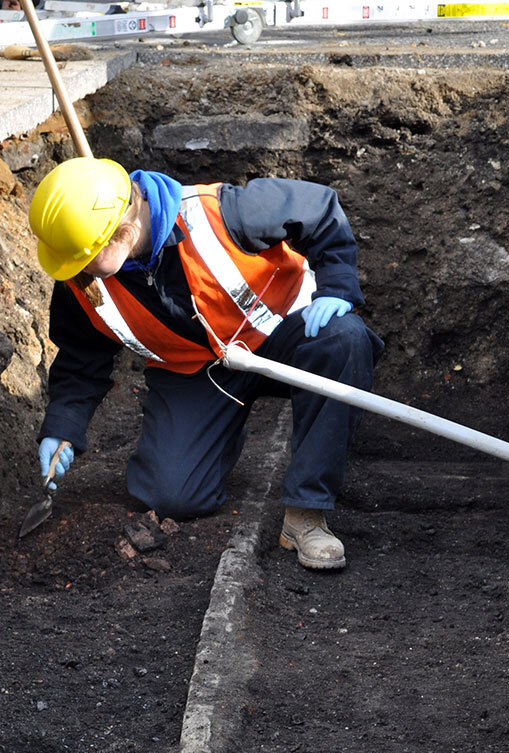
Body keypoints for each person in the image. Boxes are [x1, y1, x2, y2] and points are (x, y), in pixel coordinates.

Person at [27, 157, 382, 570]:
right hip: (200, 371)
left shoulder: (225, 212)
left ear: (124, 233)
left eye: (81, 260)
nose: (75, 271)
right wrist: (63, 427)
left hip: (284, 335)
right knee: (170, 494)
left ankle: (307, 512)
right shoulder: (80, 279)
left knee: (345, 340)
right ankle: (219, 430)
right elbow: (81, 358)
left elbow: (319, 210)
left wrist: (336, 285)